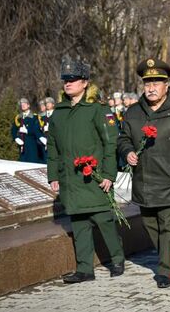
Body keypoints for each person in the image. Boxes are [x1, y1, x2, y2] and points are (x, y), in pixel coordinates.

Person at [118, 58, 170, 289]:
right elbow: (122, 138)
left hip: (169, 181)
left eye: (156, 83)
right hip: (143, 180)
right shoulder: (133, 112)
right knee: (150, 225)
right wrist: (128, 151)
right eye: (147, 83)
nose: (151, 88)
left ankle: (165, 270)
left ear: (166, 85)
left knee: (168, 227)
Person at [47, 57, 125, 284]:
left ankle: (117, 258)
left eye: (73, 79)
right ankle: (84, 269)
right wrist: (53, 174)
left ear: (85, 83)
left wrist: (110, 175)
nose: (68, 83)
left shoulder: (97, 109)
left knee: (103, 219)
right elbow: (52, 146)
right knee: (79, 223)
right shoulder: (59, 112)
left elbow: (111, 143)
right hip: (70, 179)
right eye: (65, 80)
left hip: (94, 177)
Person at [11, 98, 44, 163]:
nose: (23, 105)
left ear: (28, 105)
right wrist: (16, 138)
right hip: (22, 144)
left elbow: (37, 131)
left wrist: (27, 131)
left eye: (25, 104)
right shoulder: (18, 117)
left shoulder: (35, 117)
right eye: (21, 104)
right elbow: (13, 129)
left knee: (32, 163)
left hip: (32, 144)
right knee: (22, 163)